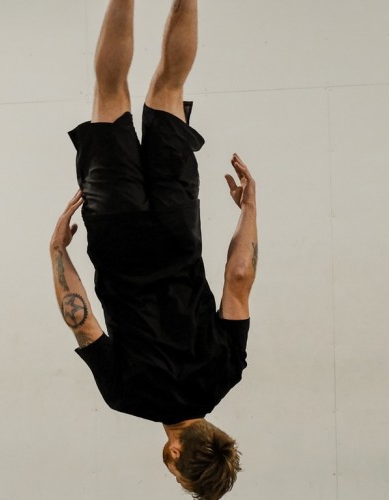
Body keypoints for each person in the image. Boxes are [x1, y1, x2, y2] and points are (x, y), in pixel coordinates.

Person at [48, 1, 257, 498]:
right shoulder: (126, 396)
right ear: (175, 455)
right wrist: (58, 252)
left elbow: (239, 279)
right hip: (117, 237)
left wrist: (249, 208)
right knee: (110, 92)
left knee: (169, 86)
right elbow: (80, 320)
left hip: (177, 228)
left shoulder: (228, 372)